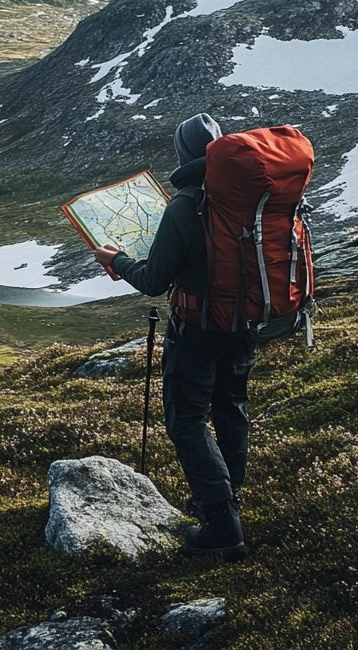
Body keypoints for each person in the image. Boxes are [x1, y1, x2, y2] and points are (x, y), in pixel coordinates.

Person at [92, 112, 254, 562]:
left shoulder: (185, 204)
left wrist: (118, 260)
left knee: (186, 419)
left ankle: (222, 523)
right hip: (244, 323)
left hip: (199, 328)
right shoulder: (246, 193)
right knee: (230, 407)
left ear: (182, 155)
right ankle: (224, 501)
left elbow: (154, 280)